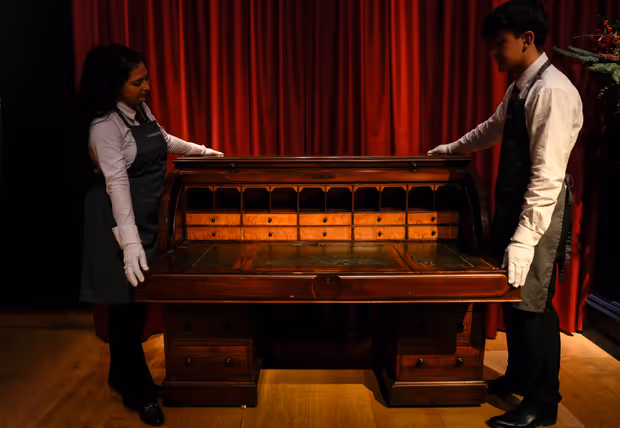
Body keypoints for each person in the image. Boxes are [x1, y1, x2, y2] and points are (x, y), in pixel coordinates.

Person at [428, 1, 582, 427]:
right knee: (512, 299)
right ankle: (518, 377)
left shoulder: (551, 91)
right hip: (514, 205)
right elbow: (492, 128)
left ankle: (543, 403)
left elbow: (547, 177)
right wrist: (451, 150)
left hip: (538, 212)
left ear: (527, 39)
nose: (493, 53)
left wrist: (525, 239)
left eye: (500, 44)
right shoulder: (521, 87)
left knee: (533, 306)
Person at [77, 44, 223, 426]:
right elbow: (117, 185)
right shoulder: (104, 128)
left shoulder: (140, 112)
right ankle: (140, 392)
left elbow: (165, 140)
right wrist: (128, 244)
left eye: (146, 79)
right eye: (137, 82)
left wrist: (206, 153)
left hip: (145, 219)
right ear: (115, 85)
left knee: (136, 305)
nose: (147, 87)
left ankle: (120, 376)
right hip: (114, 221)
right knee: (124, 307)